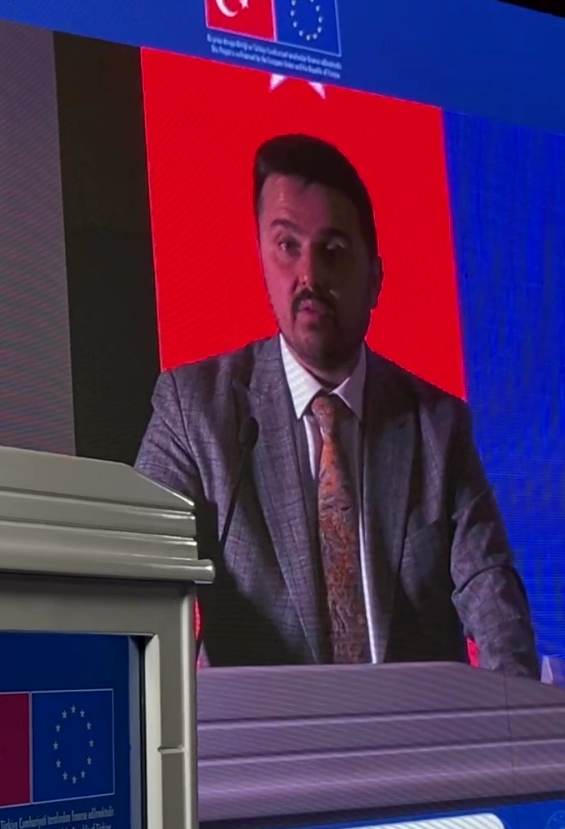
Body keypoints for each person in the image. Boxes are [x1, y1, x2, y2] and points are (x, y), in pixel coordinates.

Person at [135, 132, 539, 679]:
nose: (309, 276)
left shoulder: (438, 425)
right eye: (287, 246)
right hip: (265, 730)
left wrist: (511, 720)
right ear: (262, 258)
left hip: (411, 729)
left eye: (332, 251)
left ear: (374, 280)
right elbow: (142, 589)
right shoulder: (194, 411)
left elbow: (493, 598)